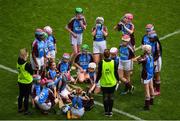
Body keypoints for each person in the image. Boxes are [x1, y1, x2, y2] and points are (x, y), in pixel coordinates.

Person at [95, 49, 119, 116]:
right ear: (110, 55)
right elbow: (116, 72)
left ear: (103, 55)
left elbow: (99, 73)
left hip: (104, 83)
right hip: (112, 83)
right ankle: (110, 112)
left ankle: (106, 112)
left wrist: (96, 81)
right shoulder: (114, 62)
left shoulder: (101, 63)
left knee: (105, 97)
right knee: (111, 97)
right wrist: (118, 80)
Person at [136, 45, 155, 110]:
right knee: (151, 87)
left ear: (144, 51)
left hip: (146, 75)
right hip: (151, 74)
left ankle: (147, 106)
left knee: (147, 90)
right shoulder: (151, 56)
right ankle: (152, 102)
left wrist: (138, 57)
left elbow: (137, 60)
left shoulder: (145, 58)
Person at [17, 48, 33, 115]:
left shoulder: (18, 61)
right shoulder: (27, 64)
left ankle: (20, 108)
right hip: (27, 82)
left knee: (21, 95)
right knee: (26, 96)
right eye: (27, 54)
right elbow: (31, 72)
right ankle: (26, 110)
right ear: (25, 55)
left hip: (20, 81)